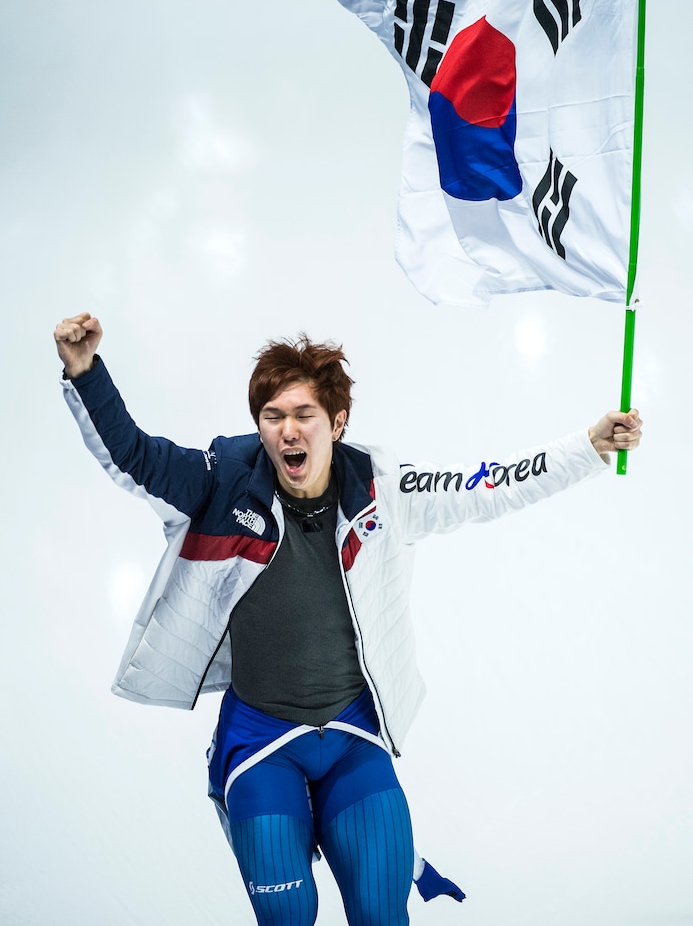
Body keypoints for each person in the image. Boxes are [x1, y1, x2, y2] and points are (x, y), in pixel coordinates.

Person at [54, 311, 642, 926]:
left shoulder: (382, 491)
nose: (286, 432)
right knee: (290, 917)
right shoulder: (221, 483)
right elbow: (136, 457)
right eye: (272, 416)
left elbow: (484, 485)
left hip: (354, 738)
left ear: (336, 422)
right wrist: (85, 372)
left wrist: (588, 448)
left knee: (381, 914)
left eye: (302, 415)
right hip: (260, 745)